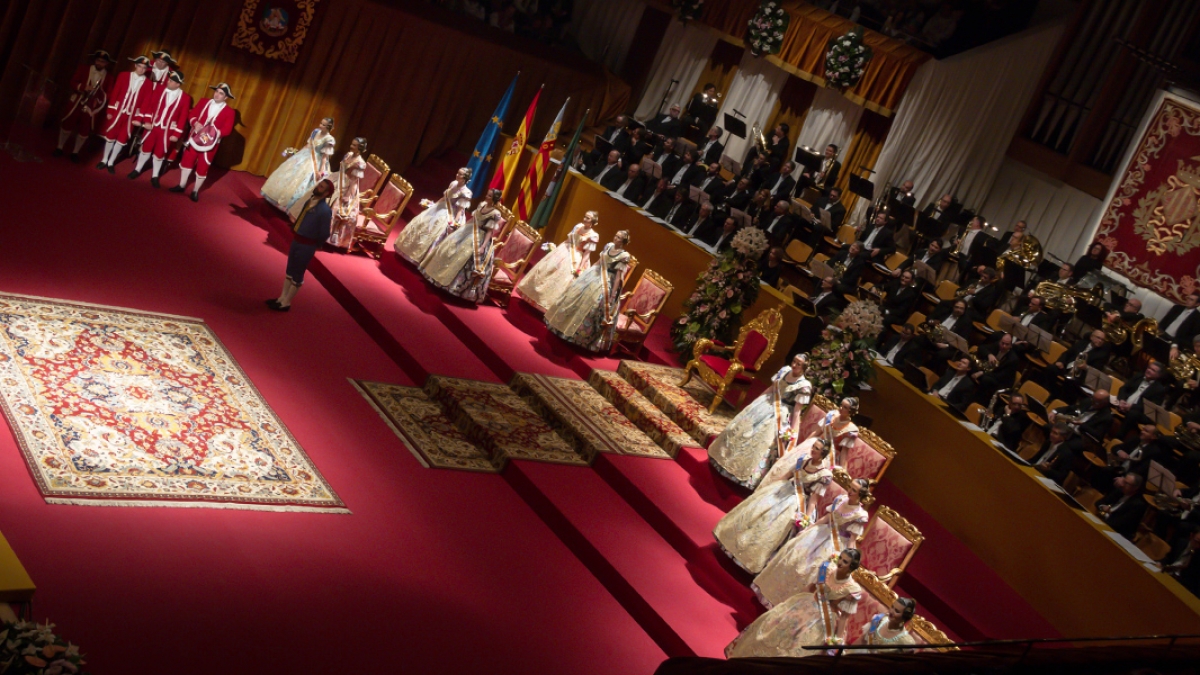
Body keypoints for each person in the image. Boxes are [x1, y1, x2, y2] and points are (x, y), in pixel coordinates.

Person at [714, 436, 832, 574]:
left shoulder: (824, 476)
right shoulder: (803, 459)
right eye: (813, 446)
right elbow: (787, 475)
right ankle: (733, 546)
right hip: (784, 489)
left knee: (774, 526)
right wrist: (770, 488)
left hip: (798, 502)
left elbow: (814, 498)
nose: (813, 450)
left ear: (823, 454)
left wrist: (805, 516)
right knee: (756, 512)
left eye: (817, 449)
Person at [751, 479, 871, 609]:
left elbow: (852, 540)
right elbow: (827, 518)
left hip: (835, 545)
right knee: (793, 557)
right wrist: (810, 527)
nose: (850, 491)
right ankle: (770, 593)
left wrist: (848, 562)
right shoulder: (841, 499)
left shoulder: (860, 515)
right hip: (819, 533)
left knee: (810, 570)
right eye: (850, 487)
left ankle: (785, 605)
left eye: (854, 490)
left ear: (861, 495)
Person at [728, 549, 863, 658]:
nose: (840, 562)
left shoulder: (852, 589)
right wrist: (793, 601)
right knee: (771, 630)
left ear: (851, 567)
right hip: (806, 604)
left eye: (844, 561)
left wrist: (837, 642)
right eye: (840, 558)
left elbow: (845, 617)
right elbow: (811, 587)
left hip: (822, 621)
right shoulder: (827, 568)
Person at [708, 354, 813, 490]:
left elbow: (798, 411)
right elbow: (771, 389)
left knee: (761, 440)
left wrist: (792, 434)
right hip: (765, 404)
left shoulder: (804, 386)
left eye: (799, 364)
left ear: (804, 367)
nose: (794, 365)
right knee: (740, 429)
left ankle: (745, 478)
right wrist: (754, 403)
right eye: (794, 361)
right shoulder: (784, 370)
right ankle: (722, 462)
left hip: (779, 415)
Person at [545, 230, 633, 352]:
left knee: (595, 304)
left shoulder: (624, 256)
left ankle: (580, 337)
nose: (615, 238)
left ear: (623, 242)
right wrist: (587, 272)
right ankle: (562, 328)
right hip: (595, 274)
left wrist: (613, 294)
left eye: (619, 238)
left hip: (608, 280)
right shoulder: (608, 246)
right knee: (575, 294)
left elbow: (619, 276)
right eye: (616, 235)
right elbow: (599, 262)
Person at [420, 188, 505, 303]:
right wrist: (461, 228)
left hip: (480, 238)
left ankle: (454, 287)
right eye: (487, 195)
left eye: (489, 196)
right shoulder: (482, 205)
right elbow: (474, 220)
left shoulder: (495, 214)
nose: (486, 197)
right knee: (449, 246)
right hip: (469, 230)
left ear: (494, 199)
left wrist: (483, 247)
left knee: (464, 256)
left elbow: (490, 232)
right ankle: (436, 275)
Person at [266, 179, 334, 312]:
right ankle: (281, 298)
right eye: (319, 185)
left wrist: (316, 243)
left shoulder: (325, 211)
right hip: (297, 239)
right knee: (290, 270)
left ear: (326, 193)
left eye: (321, 187)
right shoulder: (310, 201)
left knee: (297, 273)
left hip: (307, 244)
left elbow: (325, 232)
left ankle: (287, 302)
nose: (318, 187)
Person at [763, 397, 861, 485]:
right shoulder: (832, 415)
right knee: (792, 460)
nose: (840, 408)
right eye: (841, 405)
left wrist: (844, 471)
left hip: (827, 454)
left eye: (845, 407)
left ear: (851, 411)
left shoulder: (851, 429)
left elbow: (844, 452)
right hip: (815, 443)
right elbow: (817, 432)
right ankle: (774, 483)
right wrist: (803, 445)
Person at [518, 212, 600, 311]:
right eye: (585, 216)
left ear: (592, 221)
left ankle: (548, 308)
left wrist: (580, 268)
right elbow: (568, 240)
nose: (585, 219)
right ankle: (532, 298)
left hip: (576, 257)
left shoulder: (594, 236)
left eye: (588, 218)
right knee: (547, 270)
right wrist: (557, 250)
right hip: (565, 250)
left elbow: (587, 253)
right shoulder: (578, 226)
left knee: (563, 281)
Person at [169, 83, 236, 202]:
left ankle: (195, 191)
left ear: (225, 97)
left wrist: (212, 132)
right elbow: (192, 114)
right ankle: (182, 185)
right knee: (187, 161)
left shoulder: (229, 112)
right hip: (194, 138)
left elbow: (227, 130)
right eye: (216, 92)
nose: (217, 95)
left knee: (202, 166)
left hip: (210, 144)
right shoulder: (204, 102)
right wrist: (195, 123)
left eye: (221, 93)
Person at [261, 117, 337, 219]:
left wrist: (321, 170)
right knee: (289, 174)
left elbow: (325, 156)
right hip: (305, 156)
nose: (320, 126)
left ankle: (292, 208)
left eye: (323, 125)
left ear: (328, 127)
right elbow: (308, 145)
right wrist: (298, 154)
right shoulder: (315, 132)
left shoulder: (329, 140)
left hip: (316, 162)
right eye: (320, 123)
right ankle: (276, 200)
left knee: (303, 182)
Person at [393, 167, 473, 264]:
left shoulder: (466, 193)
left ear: (465, 178)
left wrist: (454, 223)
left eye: (460, 174)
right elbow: (444, 197)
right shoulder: (453, 183)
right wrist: (434, 206)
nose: (457, 175)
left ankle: (424, 261)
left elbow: (461, 209)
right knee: (423, 224)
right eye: (457, 173)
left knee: (436, 231)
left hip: (452, 213)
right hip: (442, 207)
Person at [127, 70, 190, 187]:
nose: (168, 82)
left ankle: (155, 175)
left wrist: (176, 134)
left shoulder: (185, 98)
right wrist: (147, 121)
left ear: (178, 84)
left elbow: (183, 117)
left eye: (171, 81)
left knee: (160, 153)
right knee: (146, 149)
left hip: (167, 131)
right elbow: (150, 105)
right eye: (169, 79)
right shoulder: (159, 89)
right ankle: (137, 169)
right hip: (153, 127)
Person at [55, 50, 115, 162]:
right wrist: (83, 87)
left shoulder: (109, 77)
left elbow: (109, 93)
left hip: (92, 106)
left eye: (102, 62)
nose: (99, 63)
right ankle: (59, 147)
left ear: (106, 64)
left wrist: (99, 95)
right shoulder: (84, 69)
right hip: (77, 101)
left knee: (84, 129)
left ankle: (75, 152)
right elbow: (73, 82)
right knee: (68, 124)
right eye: (98, 60)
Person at [97, 56, 151, 173]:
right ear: (135, 65)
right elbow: (116, 92)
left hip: (131, 116)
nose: (141, 69)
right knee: (110, 136)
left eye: (144, 68)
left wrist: (138, 118)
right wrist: (110, 111)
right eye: (139, 66)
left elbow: (145, 103)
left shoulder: (148, 83)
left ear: (146, 69)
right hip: (118, 111)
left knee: (122, 139)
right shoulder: (124, 75)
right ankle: (104, 159)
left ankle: (111, 162)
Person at [326, 137, 369, 250]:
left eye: (354, 145)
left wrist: (347, 196)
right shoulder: (348, 155)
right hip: (338, 179)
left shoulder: (360, 163)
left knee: (336, 209)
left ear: (359, 149)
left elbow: (354, 182)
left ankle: (331, 238)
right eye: (352, 144)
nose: (351, 146)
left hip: (348, 187)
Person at [1050, 389, 1114, 444]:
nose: (1092, 403)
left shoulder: (1107, 417)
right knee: (1048, 428)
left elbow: (1098, 435)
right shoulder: (1089, 401)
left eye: (1096, 402)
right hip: (1069, 428)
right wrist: (1055, 411)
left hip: (1081, 437)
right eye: (1093, 400)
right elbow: (1071, 408)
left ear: (1105, 403)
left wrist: (1082, 424)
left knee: (1065, 446)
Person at [1097, 472, 1148, 540]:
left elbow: (1120, 524)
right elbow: (1099, 502)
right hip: (1104, 523)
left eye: (1127, 483)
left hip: (1117, 535)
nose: (1123, 485)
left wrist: (1105, 517)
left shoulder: (1138, 505)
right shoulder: (1120, 490)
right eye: (1124, 481)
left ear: (1135, 488)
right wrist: (1102, 507)